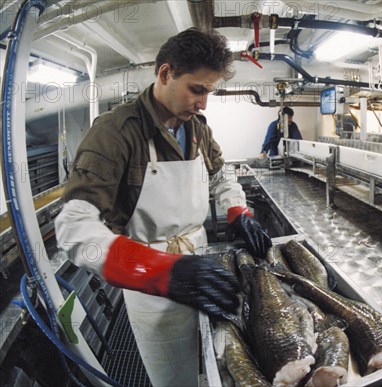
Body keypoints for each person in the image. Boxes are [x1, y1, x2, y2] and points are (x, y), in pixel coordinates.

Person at [55, 28, 272, 387]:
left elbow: (220, 177)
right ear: (165, 74)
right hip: (151, 281)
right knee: (175, 378)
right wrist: (157, 271)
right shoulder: (116, 132)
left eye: (209, 92)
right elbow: (74, 228)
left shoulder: (198, 129)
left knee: (219, 362)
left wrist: (238, 211)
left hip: (202, 262)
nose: (204, 103)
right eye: (197, 90)